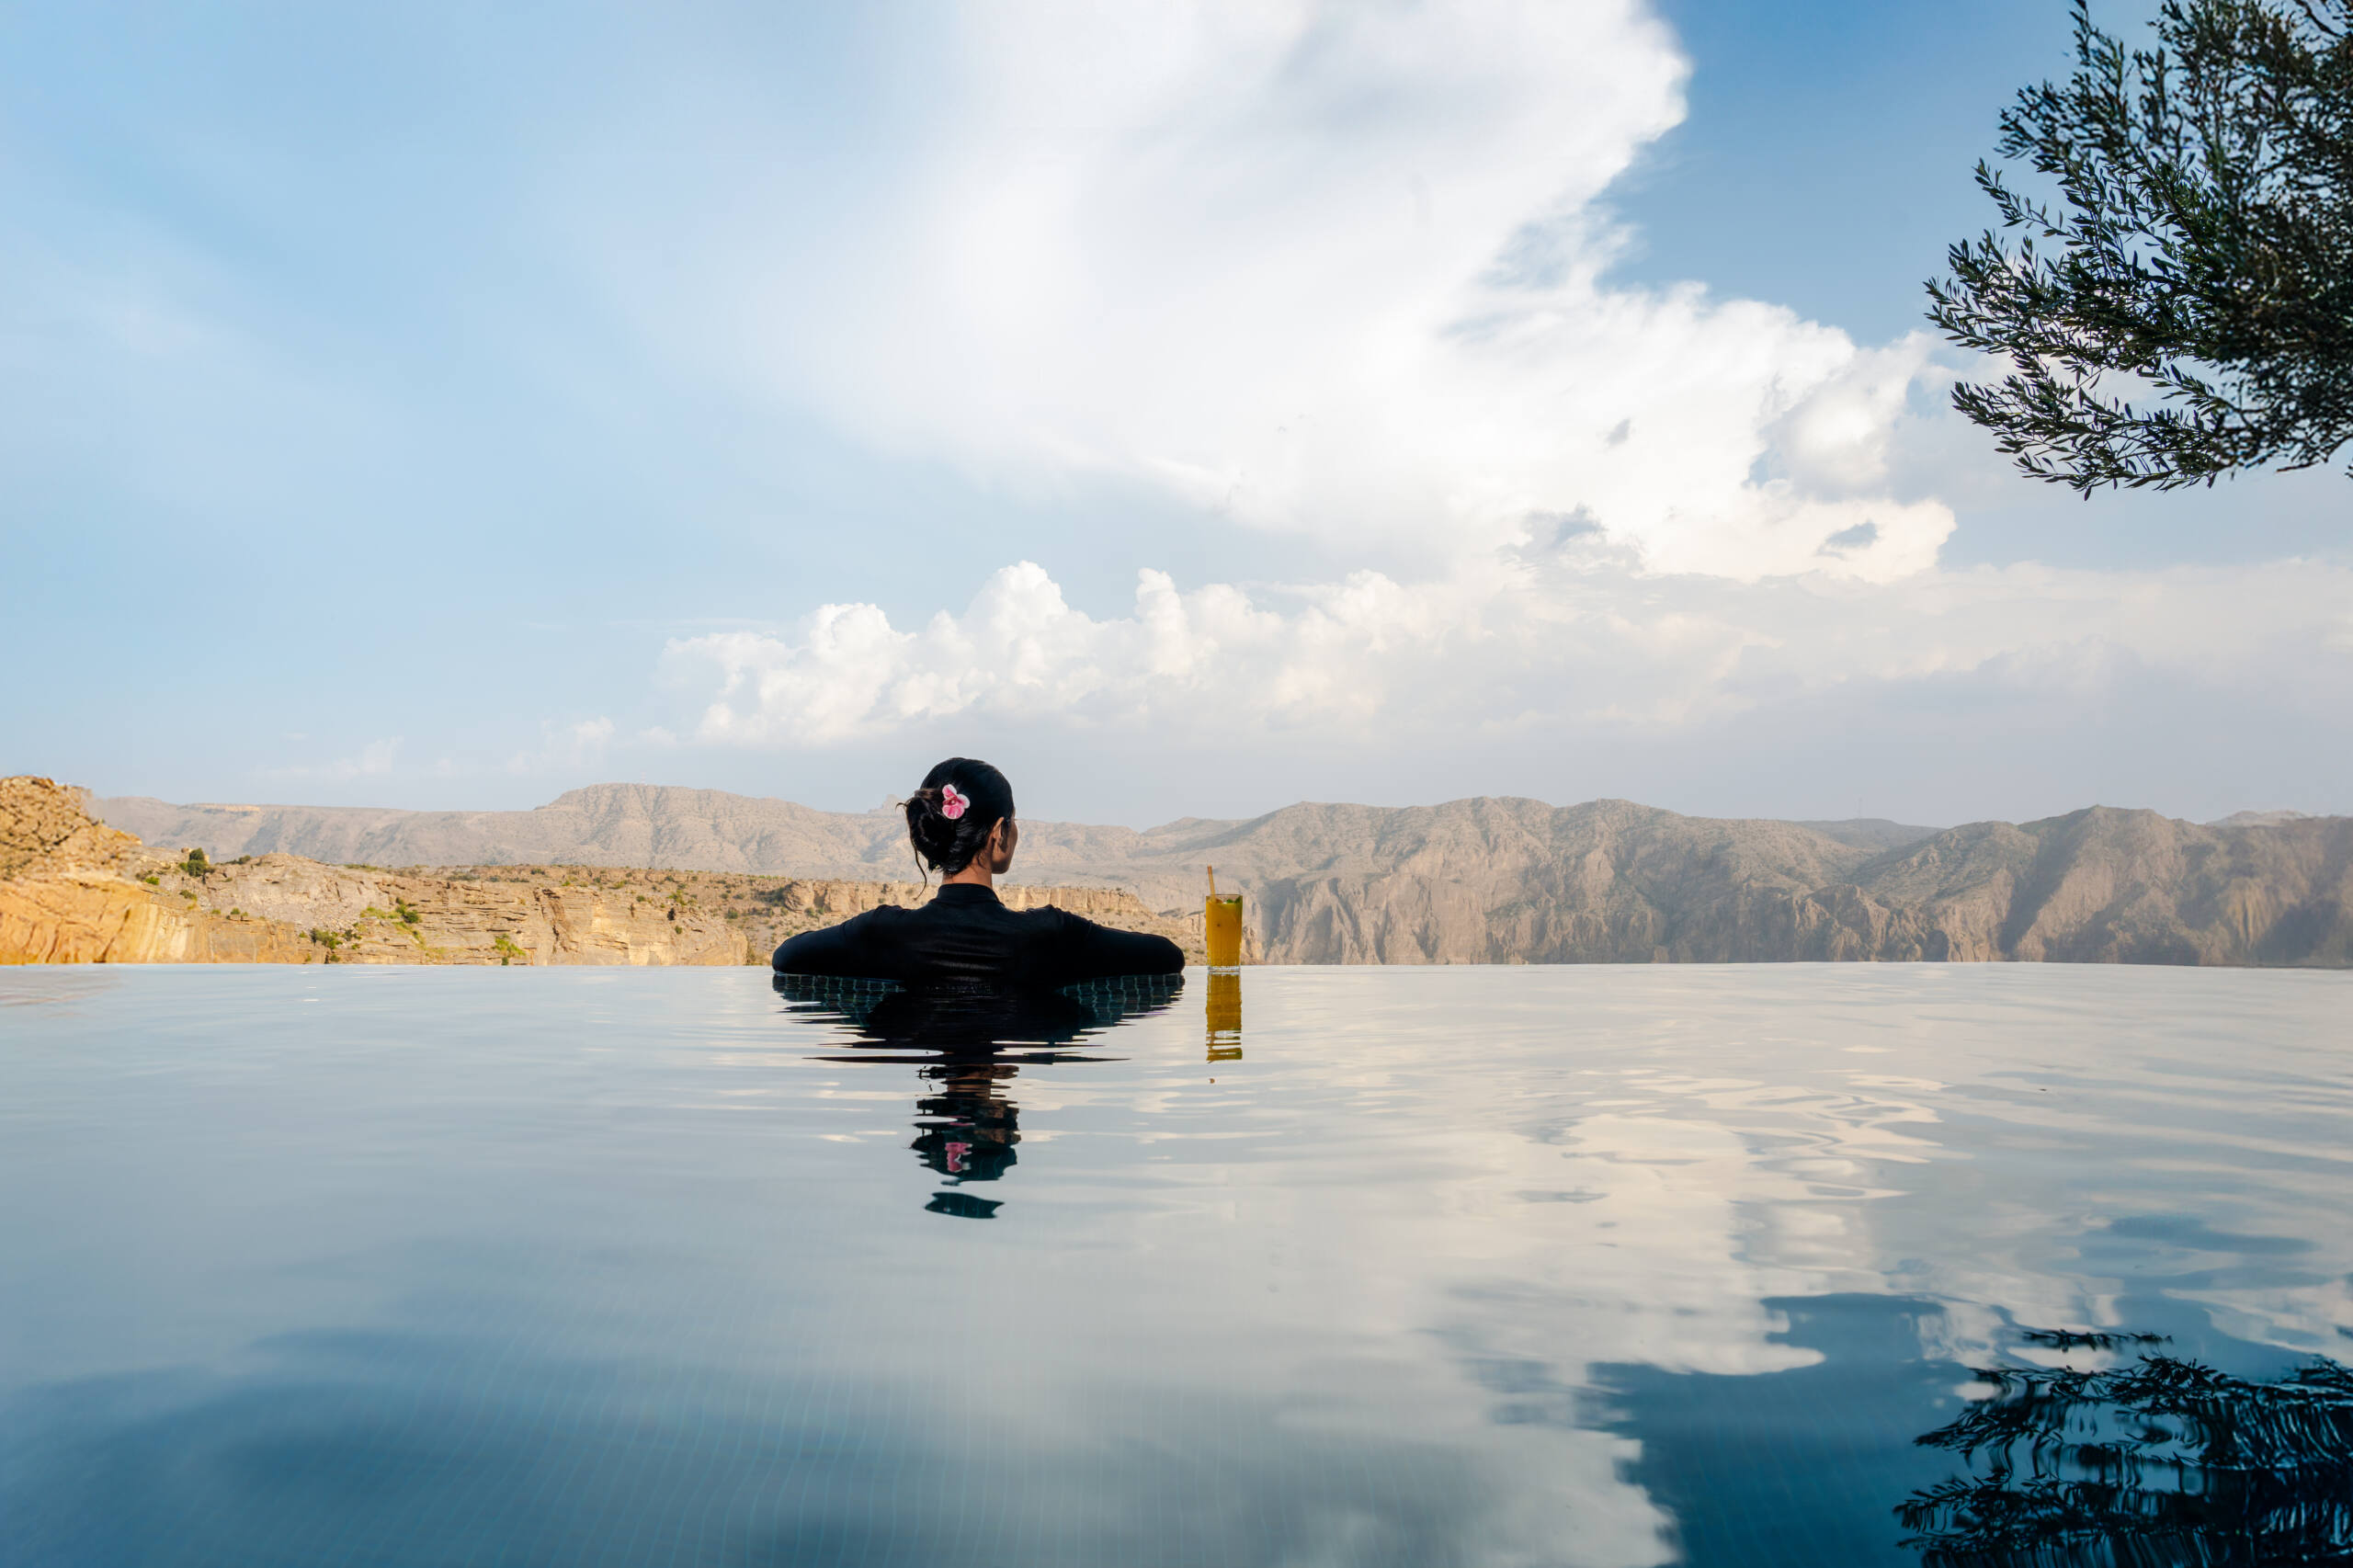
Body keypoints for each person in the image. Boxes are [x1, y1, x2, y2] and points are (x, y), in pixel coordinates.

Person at [770, 757, 1184, 985]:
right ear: (1000, 833)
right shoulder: (1053, 934)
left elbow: (786, 957)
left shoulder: (880, 931)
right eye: (1014, 822)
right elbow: (1168, 957)